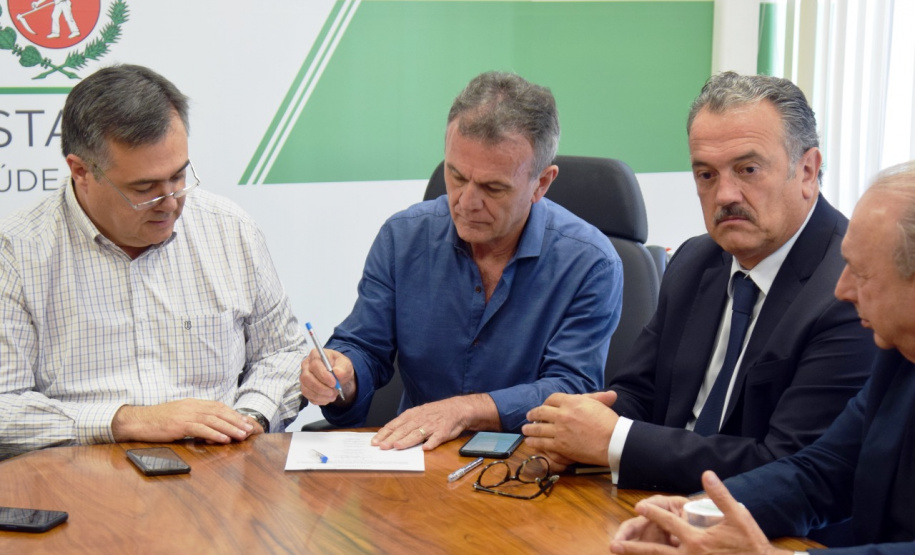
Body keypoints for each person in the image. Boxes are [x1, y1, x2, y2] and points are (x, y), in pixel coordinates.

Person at [523, 72, 876, 494]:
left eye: (747, 169)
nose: (725, 194)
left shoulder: (850, 288)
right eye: (706, 175)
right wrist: (578, 429)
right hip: (656, 502)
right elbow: (640, 392)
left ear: (807, 170)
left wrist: (614, 440)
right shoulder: (696, 259)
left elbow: (788, 463)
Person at [299, 71, 623, 451]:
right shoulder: (403, 238)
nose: (466, 202)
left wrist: (465, 409)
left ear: (542, 183)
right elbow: (365, 347)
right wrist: (342, 375)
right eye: (456, 176)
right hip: (418, 462)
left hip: (529, 467)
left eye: (493, 187)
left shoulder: (591, 263)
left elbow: (570, 389)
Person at [0, 65, 306, 460]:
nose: (171, 202)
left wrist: (247, 419)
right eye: (144, 188)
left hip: (220, 474)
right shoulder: (16, 253)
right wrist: (128, 421)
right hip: (79, 480)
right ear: (81, 171)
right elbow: (4, 406)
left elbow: (283, 354)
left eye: (178, 177)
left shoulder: (230, 229)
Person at [611, 161, 915, 554]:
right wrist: (699, 513)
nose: (842, 290)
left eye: (861, 273)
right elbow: (820, 473)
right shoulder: (897, 356)